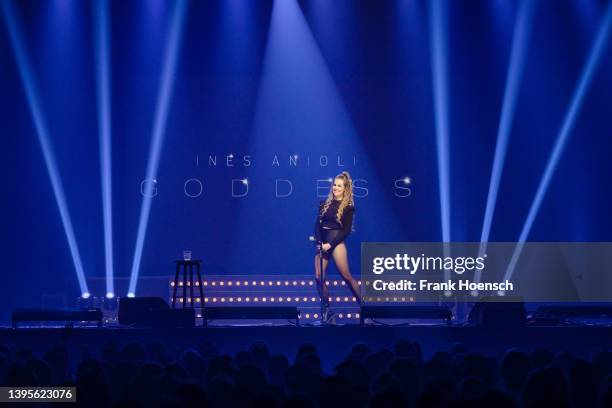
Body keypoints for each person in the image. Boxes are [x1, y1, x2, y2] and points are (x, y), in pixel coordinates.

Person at [313, 171, 361, 315]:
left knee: (347, 276)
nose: (336, 188)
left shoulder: (348, 207)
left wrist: (330, 245)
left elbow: (346, 230)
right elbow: (317, 225)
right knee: (318, 277)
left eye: (339, 186)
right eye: (334, 185)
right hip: (323, 243)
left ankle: (365, 307)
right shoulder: (324, 204)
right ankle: (327, 309)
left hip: (336, 243)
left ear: (345, 189)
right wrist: (319, 242)